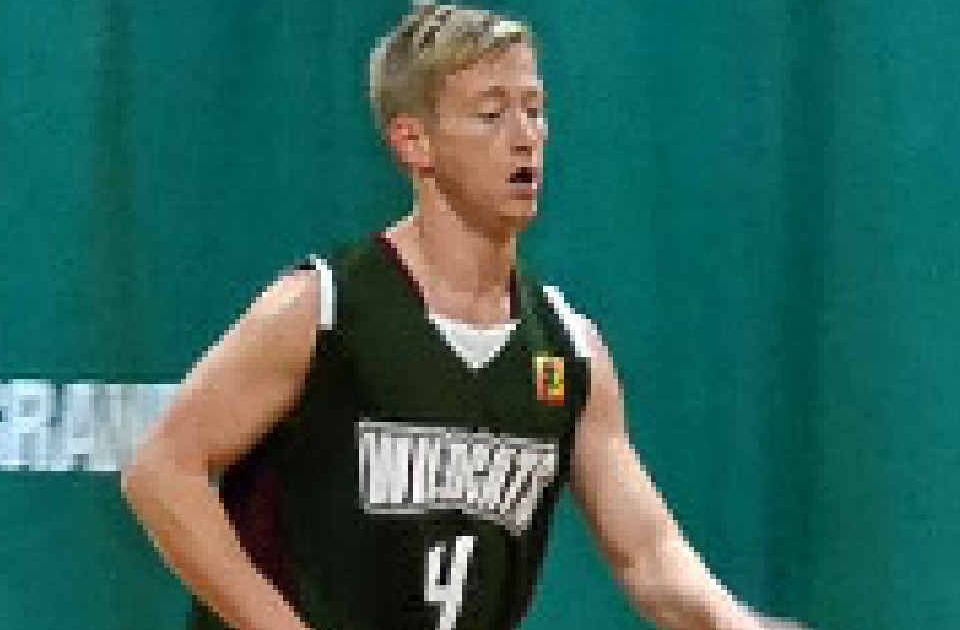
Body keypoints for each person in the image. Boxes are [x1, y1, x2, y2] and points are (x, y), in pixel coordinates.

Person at [121, 4, 807, 629]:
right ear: (413, 142)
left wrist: (737, 623)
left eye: (534, 109)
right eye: (491, 113)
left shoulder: (567, 348)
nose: (525, 137)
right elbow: (162, 472)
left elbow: (648, 555)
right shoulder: (322, 309)